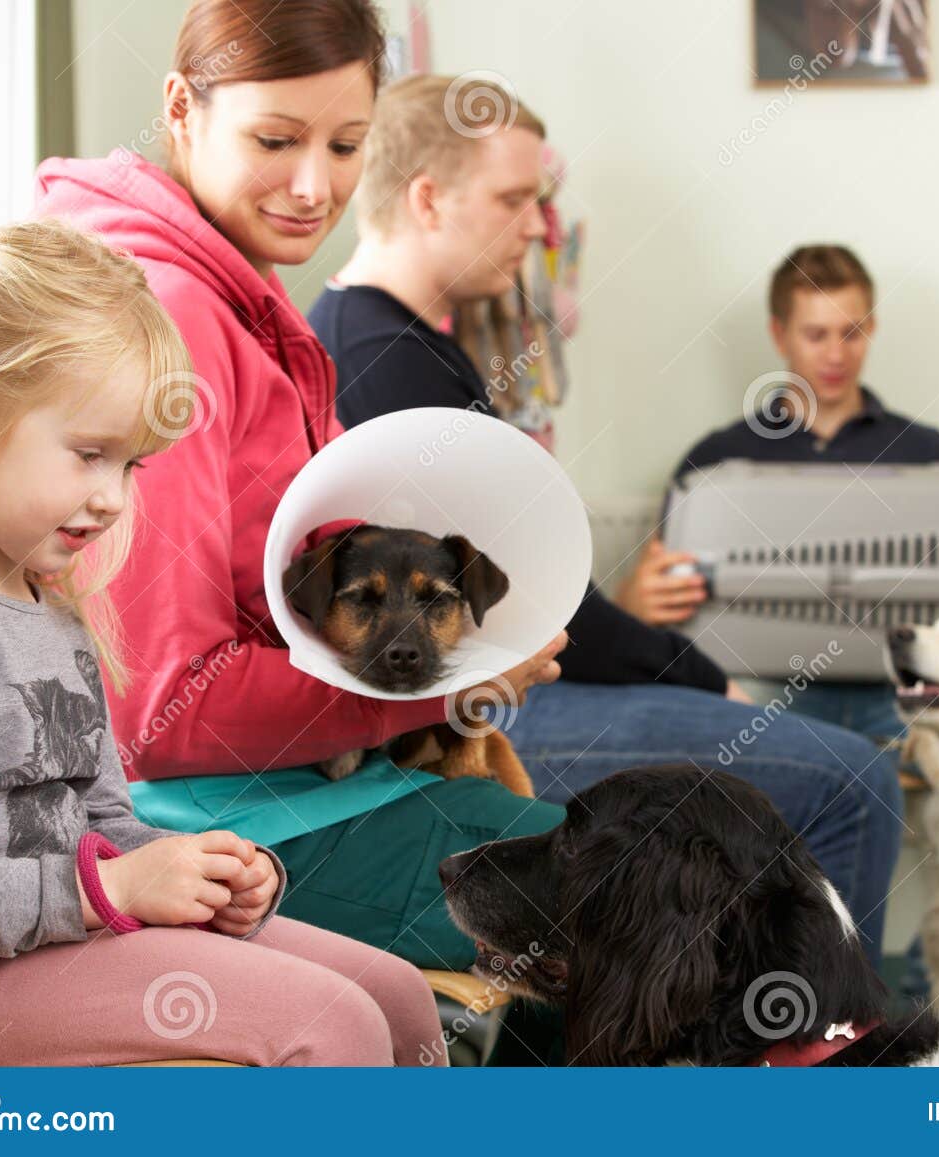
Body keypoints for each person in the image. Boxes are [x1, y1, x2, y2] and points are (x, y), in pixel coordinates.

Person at [33, 0, 566, 989]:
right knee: (662, 896)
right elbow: (161, 710)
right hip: (198, 830)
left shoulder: (246, 295)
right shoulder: (177, 316)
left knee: (649, 875)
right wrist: (447, 677)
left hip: (279, 789)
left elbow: (263, 561)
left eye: (347, 143)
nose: (313, 185)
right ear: (180, 110)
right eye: (274, 139)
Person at [311, 77, 904, 966]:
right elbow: (553, 617)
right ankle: (811, 1076)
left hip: (516, 686)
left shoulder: (393, 344)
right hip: (501, 710)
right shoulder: (385, 362)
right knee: (857, 781)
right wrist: (711, 682)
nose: (540, 227)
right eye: (515, 200)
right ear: (427, 198)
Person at [0, 220, 443, 1067]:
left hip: (66, 938)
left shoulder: (58, 613)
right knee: (332, 1024)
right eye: (89, 455)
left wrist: (200, 869)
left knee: (398, 996)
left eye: (131, 467)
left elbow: (105, 819)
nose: (114, 498)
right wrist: (106, 888)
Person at [626, 245, 939, 754]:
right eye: (816, 335)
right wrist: (634, 604)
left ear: (872, 327)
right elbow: (658, 608)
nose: (836, 354)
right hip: (763, 693)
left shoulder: (930, 456)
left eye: (851, 332)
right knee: (719, 739)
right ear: (778, 334)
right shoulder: (716, 462)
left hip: (906, 692)